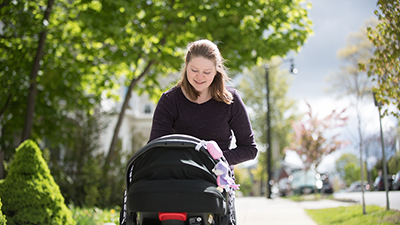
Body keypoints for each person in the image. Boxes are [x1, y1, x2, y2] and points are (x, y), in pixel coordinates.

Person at [149, 39, 258, 166]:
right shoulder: (170, 100)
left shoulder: (230, 100)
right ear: (186, 64)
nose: (200, 77)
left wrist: (214, 159)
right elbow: (155, 148)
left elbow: (250, 149)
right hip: (178, 178)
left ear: (216, 70)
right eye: (194, 70)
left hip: (217, 178)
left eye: (207, 72)